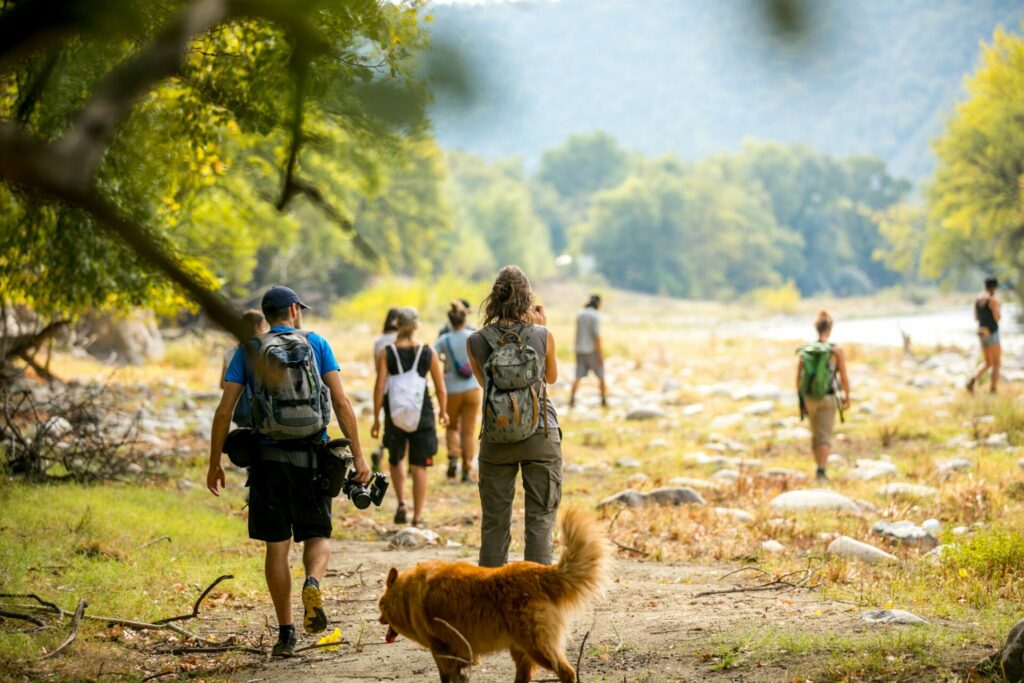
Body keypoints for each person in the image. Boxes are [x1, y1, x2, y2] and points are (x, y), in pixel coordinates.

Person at [207, 286, 370, 658]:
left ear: (266, 316)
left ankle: (286, 634)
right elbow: (341, 403)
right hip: (314, 456)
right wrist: (359, 456)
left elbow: (223, 411)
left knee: (276, 548)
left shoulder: (248, 350)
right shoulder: (317, 343)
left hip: (268, 462)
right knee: (317, 534)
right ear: (294, 310)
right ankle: (312, 581)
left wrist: (215, 462)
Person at [467, 265, 562, 567]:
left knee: (494, 524)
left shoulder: (476, 341)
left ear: (494, 299)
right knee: (540, 520)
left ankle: (490, 600)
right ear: (527, 299)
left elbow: (487, 385)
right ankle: (536, 600)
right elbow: (550, 378)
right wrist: (542, 327)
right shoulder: (543, 335)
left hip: (497, 437)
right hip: (540, 434)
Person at [371, 307, 448, 527]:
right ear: (416, 325)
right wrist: (443, 411)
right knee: (419, 465)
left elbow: (379, 387)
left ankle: (402, 503)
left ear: (397, 325)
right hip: (421, 412)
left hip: (394, 411)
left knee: (396, 459)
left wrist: (376, 418)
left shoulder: (386, 352)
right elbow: (440, 387)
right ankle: (417, 516)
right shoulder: (428, 351)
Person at [796, 310, 850, 483]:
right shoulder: (836, 351)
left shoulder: (807, 350)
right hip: (828, 398)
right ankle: (821, 471)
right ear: (830, 328)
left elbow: (798, 378)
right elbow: (843, 376)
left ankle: (818, 467)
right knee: (824, 435)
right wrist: (847, 396)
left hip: (809, 398)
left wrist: (802, 399)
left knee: (815, 433)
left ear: (816, 328)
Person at [435, 301, 482, 483]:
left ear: (450, 321)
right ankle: (466, 469)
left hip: (451, 389)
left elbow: (433, 355)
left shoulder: (443, 340)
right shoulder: (473, 336)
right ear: (465, 318)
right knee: (469, 432)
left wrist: (446, 364)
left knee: (452, 426)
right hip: (472, 388)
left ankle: (453, 456)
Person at [219, 309, 268, 428]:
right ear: (258, 327)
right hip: (265, 412)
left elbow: (223, 384)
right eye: (264, 324)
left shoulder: (230, 353)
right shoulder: (267, 351)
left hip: (240, 412)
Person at [370, 308, 401, 471]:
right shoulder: (402, 339)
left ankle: (381, 450)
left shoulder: (379, 341)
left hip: (385, 390)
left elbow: (378, 369)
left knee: (390, 425)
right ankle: (407, 464)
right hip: (403, 390)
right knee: (405, 426)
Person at [570, 294, 606, 408]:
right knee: (601, 375)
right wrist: (600, 354)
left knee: (578, 376)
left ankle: (571, 399)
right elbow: (597, 336)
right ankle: (603, 400)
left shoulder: (580, 314)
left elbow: (577, 334)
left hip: (580, 350)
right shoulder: (595, 316)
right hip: (592, 351)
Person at [967, 277, 1002, 395]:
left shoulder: (978, 299)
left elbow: (976, 317)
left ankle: (972, 379)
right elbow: (997, 317)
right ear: (995, 287)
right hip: (992, 332)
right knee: (996, 362)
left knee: (988, 362)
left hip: (981, 332)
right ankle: (993, 390)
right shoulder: (992, 299)